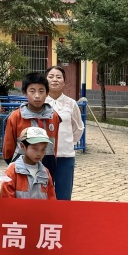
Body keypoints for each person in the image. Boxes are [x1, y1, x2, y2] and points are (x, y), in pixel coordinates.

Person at [3, 71, 60, 183]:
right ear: (24, 92)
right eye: (32, 91)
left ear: (47, 93)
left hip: (48, 166)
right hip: (20, 167)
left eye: (41, 91)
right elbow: (8, 149)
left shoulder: (54, 116)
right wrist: (14, 163)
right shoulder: (16, 116)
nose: (37, 96)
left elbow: (55, 145)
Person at [46, 65, 84, 200]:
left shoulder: (71, 103)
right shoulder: (40, 102)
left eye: (58, 77)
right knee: (43, 194)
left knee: (64, 196)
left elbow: (78, 127)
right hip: (44, 156)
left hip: (66, 156)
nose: (55, 80)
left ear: (64, 82)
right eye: (51, 76)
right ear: (45, 80)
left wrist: (68, 142)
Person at [0, 126, 57, 200]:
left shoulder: (45, 172)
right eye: (35, 148)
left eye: (43, 149)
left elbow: (51, 199)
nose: (39, 153)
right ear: (23, 146)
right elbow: (6, 199)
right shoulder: (12, 171)